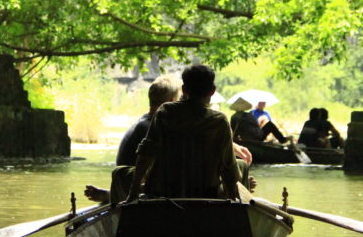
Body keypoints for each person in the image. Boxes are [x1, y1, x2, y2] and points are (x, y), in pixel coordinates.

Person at [85, 74, 254, 204]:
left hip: (161, 178)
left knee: (238, 165)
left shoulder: (154, 120)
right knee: (235, 168)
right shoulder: (159, 122)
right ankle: (111, 197)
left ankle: (111, 195)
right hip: (159, 182)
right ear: (173, 101)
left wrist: (229, 144)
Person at [125, 63, 240, 202]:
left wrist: (133, 193)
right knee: (242, 167)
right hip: (204, 196)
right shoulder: (219, 121)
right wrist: (233, 199)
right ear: (212, 91)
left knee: (120, 172)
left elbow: (146, 153)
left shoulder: (165, 112)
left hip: (162, 194)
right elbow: (228, 168)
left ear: (184, 90)